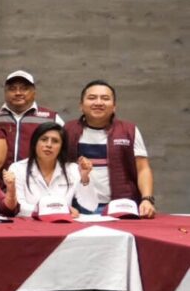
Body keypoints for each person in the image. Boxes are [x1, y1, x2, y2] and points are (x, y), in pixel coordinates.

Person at [64, 80, 155, 217]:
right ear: (81, 105)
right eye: (92, 98)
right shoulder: (67, 130)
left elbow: (143, 168)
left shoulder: (129, 131)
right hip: (76, 208)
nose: (98, 102)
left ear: (114, 107)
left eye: (105, 98)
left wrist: (147, 199)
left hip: (121, 206)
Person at [8, 122, 95, 217]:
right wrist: (57, 210)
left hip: (63, 223)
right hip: (30, 223)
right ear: (35, 143)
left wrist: (85, 178)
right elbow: (18, 206)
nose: (49, 145)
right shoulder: (18, 168)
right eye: (44, 139)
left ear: (61, 147)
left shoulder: (72, 169)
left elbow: (90, 206)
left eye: (55, 141)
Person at [0, 70, 63, 168]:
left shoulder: (51, 118)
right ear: (5, 92)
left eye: (24, 88)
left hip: (35, 176)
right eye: (12, 89)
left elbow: (64, 150)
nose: (18, 93)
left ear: (34, 92)